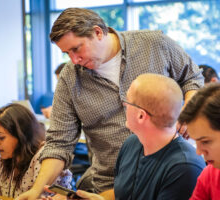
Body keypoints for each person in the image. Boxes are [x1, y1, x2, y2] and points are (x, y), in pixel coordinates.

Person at [16, 8, 204, 199]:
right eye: (67, 53)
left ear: (98, 32)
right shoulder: (71, 77)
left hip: (168, 171)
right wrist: (36, 189)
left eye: (76, 49)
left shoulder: (153, 44)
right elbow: (59, 143)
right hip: (110, 184)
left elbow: (192, 78)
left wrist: (188, 111)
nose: (74, 60)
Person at [44, 74, 206, 200]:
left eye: (127, 102)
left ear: (141, 116)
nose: (123, 105)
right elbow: (123, 194)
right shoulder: (132, 143)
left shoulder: (185, 168)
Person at [0, 103, 72, 198]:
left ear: (21, 136)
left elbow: (42, 197)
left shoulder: (44, 159)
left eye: (1, 137)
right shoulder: (7, 158)